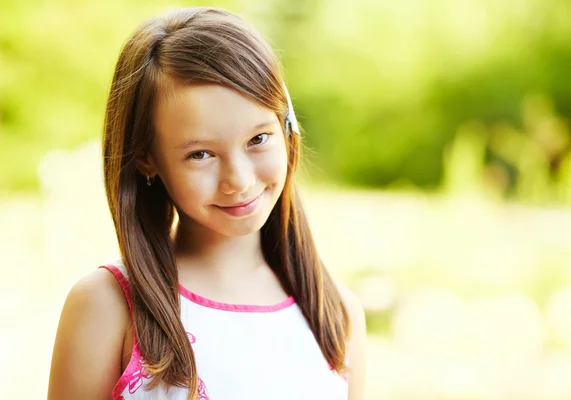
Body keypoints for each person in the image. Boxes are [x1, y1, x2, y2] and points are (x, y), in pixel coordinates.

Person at [47, 6, 366, 400]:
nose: (239, 180)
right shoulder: (106, 306)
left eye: (258, 139)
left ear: (287, 129)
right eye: (200, 154)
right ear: (147, 157)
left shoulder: (336, 316)